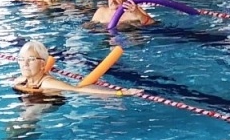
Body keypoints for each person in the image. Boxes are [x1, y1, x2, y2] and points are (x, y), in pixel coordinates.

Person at [9, 41, 139, 98]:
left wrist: (120, 92)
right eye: (21, 59)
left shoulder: (49, 83)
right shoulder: (21, 79)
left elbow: (78, 89)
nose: (24, 63)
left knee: (27, 118)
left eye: (31, 59)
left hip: (47, 102)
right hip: (31, 97)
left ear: (43, 64)